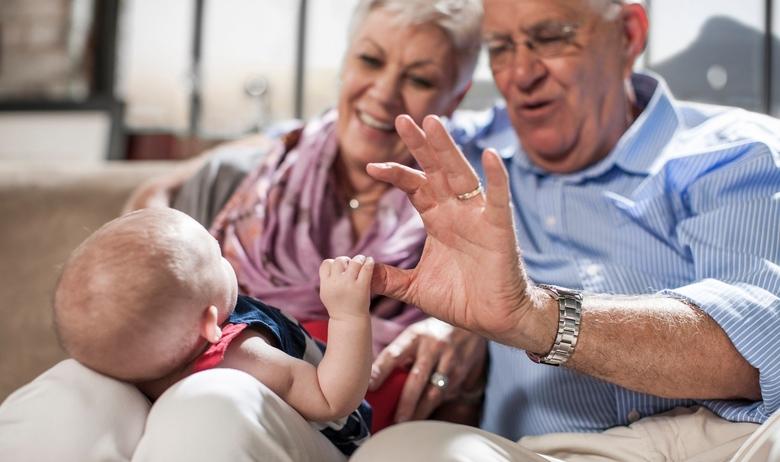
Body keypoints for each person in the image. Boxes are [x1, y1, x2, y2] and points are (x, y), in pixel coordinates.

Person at [348, 0, 780, 460]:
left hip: (734, 442)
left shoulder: (735, 152)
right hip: (545, 454)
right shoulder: (464, 157)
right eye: (500, 48)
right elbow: (353, 128)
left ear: (629, 35)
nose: (521, 74)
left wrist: (533, 317)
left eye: (551, 37)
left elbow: (762, 341)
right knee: (400, 452)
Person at [124, 0, 487, 426]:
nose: (384, 92)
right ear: (345, 61)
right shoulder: (239, 180)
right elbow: (142, 311)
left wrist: (473, 346)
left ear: (457, 96)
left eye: (420, 79)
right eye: (370, 59)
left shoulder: (462, 224)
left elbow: (469, 393)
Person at [54, 207, 373, 456]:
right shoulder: (241, 355)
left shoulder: (128, 361)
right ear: (209, 324)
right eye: (219, 258)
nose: (226, 258)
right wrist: (348, 315)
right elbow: (330, 399)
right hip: (338, 442)